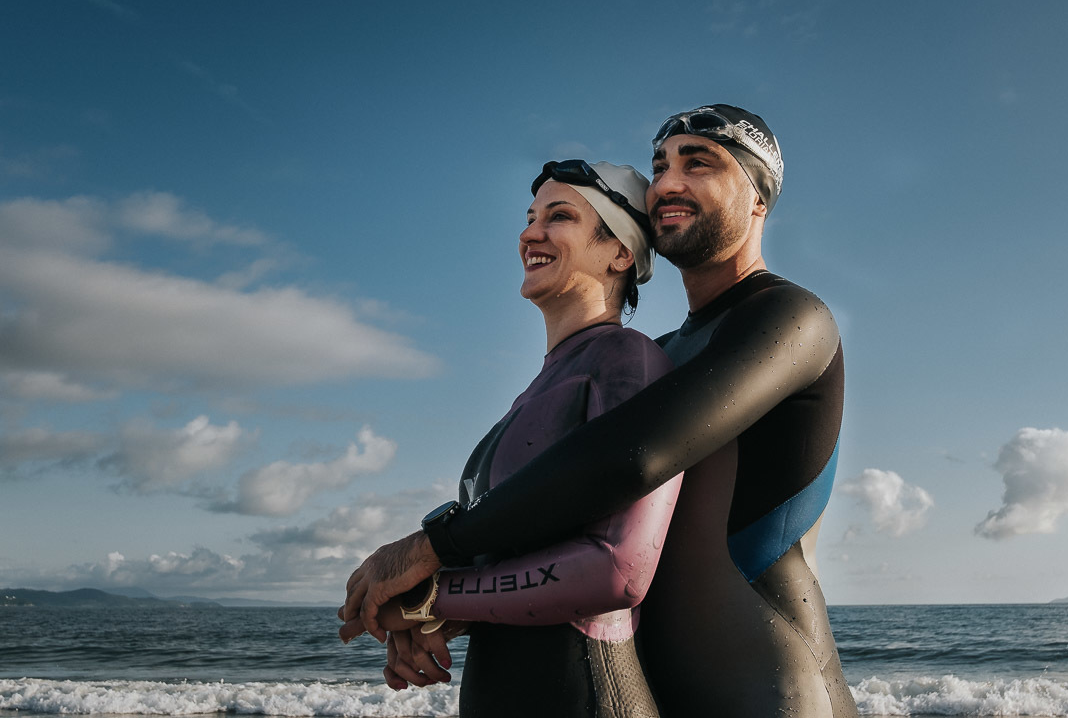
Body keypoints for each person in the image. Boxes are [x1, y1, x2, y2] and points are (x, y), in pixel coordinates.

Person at [342, 105, 857, 718]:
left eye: (700, 164)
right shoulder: (658, 354)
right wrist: (442, 607)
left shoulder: (790, 318)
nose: (667, 182)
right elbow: (583, 536)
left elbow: (635, 459)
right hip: (659, 691)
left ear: (757, 200)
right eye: (662, 165)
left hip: (776, 692)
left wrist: (434, 549)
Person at [345, 160, 681, 717]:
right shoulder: (535, 391)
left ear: (621, 252)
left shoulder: (629, 361)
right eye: (529, 218)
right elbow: (515, 564)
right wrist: (433, 614)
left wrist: (430, 595)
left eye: (560, 216)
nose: (530, 232)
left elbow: (618, 571)